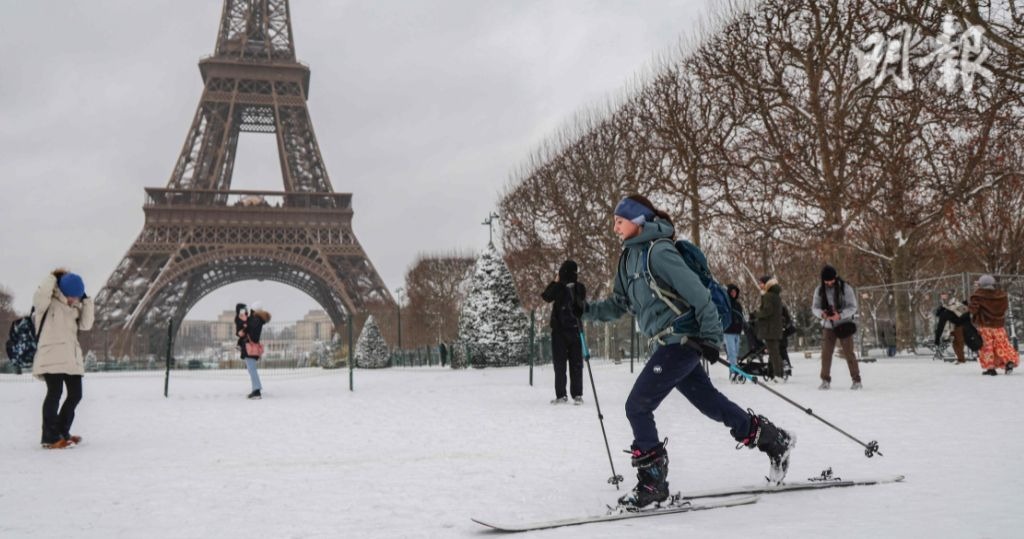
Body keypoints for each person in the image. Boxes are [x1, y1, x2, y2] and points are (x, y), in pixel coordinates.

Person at [582, 194, 795, 510]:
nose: (615, 228)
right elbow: (617, 305)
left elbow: (698, 295)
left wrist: (710, 337)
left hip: (683, 342)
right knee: (711, 404)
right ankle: (773, 440)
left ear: (638, 220)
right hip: (665, 345)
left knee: (638, 405)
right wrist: (583, 309)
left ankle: (653, 483)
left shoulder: (659, 252)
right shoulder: (627, 260)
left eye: (619, 221)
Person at [32, 270, 94, 449]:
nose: (74, 300)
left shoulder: (75, 307)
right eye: (72, 296)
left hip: (70, 357)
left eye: (77, 296)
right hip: (51, 355)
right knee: (55, 393)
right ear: (63, 291)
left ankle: (61, 431)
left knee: (76, 394)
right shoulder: (47, 303)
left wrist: (86, 301)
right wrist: (53, 277)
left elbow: (86, 325)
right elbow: (40, 297)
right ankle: (49, 437)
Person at [541, 260, 587, 404]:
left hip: (561, 331)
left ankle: (563, 395)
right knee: (575, 364)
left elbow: (546, 296)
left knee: (561, 365)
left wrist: (555, 282)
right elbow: (547, 296)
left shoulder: (561, 287)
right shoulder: (579, 287)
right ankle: (576, 394)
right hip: (573, 330)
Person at [811, 265, 862, 390]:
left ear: (836, 277)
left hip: (844, 324)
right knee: (826, 353)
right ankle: (825, 379)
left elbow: (853, 307)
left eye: (831, 280)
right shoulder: (819, 290)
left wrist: (840, 315)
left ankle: (856, 379)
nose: (829, 283)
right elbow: (815, 307)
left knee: (849, 353)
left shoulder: (846, 288)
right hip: (828, 325)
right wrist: (822, 314)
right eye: (826, 281)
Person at [968, 275, 1018, 375]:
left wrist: (969, 305)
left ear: (981, 284)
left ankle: (990, 368)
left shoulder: (978, 296)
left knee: (987, 347)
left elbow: (973, 310)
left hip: (985, 326)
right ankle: (1009, 361)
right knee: (1002, 344)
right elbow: (1004, 308)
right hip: (998, 325)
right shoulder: (1001, 295)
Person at [754, 275, 785, 381]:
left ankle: (778, 375)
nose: (760, 285)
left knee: (773, 353)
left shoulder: (768, 296)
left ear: (766, 284)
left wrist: (756, 314)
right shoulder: (776, 295)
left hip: (769, 329)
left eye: (761, 283)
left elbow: (767, 311)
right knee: (775, 352)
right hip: (776, 328)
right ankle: (776, 373)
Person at [237, 303, 271, 399]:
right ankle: (256, 388)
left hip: (250, 347)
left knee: (252, 369)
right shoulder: (257, 320)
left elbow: (253, 335)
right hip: (251, 347)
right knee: (251, 369)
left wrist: (244, 331)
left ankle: (256, 391)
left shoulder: (255, 320)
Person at [935, 293, 969, 364]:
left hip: (961, 325)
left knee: (958, 343)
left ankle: (961, 360)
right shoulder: (949, 309)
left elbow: (940, 327)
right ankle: (960, 359)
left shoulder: (944, 314)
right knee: (955, 344)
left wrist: (937, 339)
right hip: (958, 325)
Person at [724, 284, 744, 383]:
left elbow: (740, 317)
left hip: (737, 332)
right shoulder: (726, 304)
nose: (733, 293)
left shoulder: (738, 305)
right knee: (731, 352)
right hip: (728, 331)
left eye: (735, 292)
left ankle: (733, 371)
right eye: (732, 292)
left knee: (735, 353)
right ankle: (733, 372)